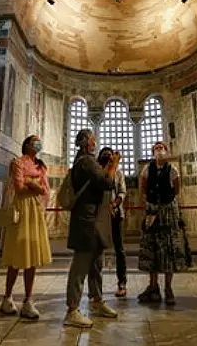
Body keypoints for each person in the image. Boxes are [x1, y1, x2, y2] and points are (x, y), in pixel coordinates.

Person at [64, 129, 120, 328]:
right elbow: (106, 182)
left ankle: (96, 301)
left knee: (96, 264)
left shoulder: (88, 161)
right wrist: (114, 164)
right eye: (93, 140)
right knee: (81, 265)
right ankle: (72, 310)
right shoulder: (86, 161)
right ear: (87, 143)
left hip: (94, 220)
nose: (95, 143)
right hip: (86, 221)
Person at [0, 135, 52, 319]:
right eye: (35, 141)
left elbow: (45, 190)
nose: (38, 143)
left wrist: (32, 184)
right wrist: (33, 184)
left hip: (35, 209)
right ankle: (7, 298)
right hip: (22, 209)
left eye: (39, 141)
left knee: (33, 255)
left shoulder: (40, 165)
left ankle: (28, 300)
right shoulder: (17, 162)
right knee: (16, 254)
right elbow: (19, 187)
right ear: (27, 145)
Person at [138, 141, 191, 305]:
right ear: (152, 151)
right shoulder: (147, 169)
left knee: (169, 250)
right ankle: (153, 286)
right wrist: (152, 203)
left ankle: (168, 287)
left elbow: (176, 189)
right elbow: (143, 187)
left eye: (162, 148)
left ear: (167, 151)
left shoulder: (172, 169)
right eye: (156, 148)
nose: (159, 150)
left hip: (168, 212)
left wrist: (165, 202)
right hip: (153, 211)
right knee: (152, 248)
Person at [98, 147, 128, 298]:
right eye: (106, 155)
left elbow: (122, 191)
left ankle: (122, 283)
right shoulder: (97, 171)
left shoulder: (118, 173)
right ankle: (96, 287)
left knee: (119, 249)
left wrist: (114, 204)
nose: (109, 157)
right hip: (100, 215)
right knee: (97, 251)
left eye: (111, 156)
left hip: (115, 213)